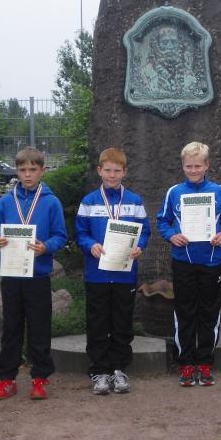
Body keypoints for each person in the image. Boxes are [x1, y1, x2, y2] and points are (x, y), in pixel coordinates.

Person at [0, 147, 67, 400]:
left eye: (33, 169)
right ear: (17, 171)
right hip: (11, 274)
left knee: (39, 327)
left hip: (38, 274)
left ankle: (40, 378)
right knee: (11, 328)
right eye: (23, 170)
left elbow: (60, 236)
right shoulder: (6, 201)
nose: (28, 174)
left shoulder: (51, 202)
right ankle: (6, 379)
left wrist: (46, 247)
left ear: (42, 170)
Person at [156, 141, 221, 387]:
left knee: (209, 313)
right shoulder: (174, 192)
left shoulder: (219, 191)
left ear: (207, 165)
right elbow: (163, 221)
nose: (193, 170)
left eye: (198, 166)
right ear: (183, 166)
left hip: (212, 261)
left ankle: (205, 362)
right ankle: (186, 364)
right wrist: (172, 235)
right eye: (189, 166)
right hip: (184, 261)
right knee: (185, 312)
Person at [75, 147, 151, 395]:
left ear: (125, 172)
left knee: (122, 322)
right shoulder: (89, 202)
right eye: (107, 170)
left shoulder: (135, 201)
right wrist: (90, 245)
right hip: (96, 273)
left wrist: (139, 246)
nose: (112, 175)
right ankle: (99, 371)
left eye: (117, 171)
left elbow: (145, 230)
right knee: (97, 323)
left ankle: (119, 369)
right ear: (99, 170)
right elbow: (80, 232)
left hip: (124, 274)